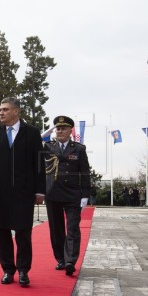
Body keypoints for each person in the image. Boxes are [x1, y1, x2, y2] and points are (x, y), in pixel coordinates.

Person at [0, 97, 45, 287]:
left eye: (5, 109)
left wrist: (40, 190)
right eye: (0, 109)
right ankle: (8, 269)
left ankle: (23, 270)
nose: (1, 112)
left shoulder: (31, 133)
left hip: (24, 191)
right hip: (1, 191)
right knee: (2, 231)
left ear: (16, 111)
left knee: (23, 232)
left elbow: (38, 163)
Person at [43, 115, 91, 277]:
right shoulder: (47, 147)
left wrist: (85, 195)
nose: (60, 131)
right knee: (56, 229)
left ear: (71, 131)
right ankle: (60, 259)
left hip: (72, 194)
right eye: (58, 128)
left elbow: (85, 173)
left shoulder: (78, 149)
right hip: (53, 193)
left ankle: (70, 260)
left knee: (72, 228)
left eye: (63, 128)